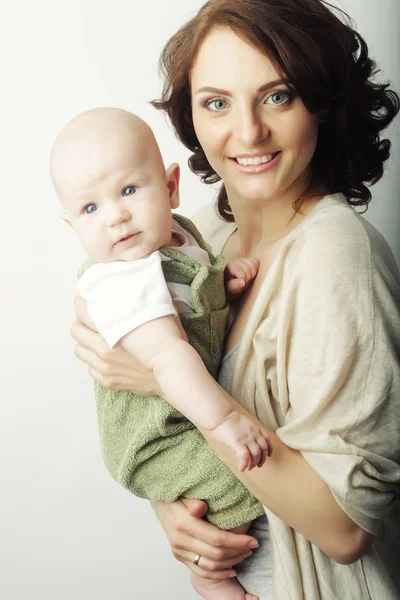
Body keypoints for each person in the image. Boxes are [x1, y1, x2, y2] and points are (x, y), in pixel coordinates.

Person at [71, 0, 400, 598]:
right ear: (191, 116)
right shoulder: (198, 235)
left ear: (322, 103)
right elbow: (155, 426)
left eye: (279, 96)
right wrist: (176, 512)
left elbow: (348, 530)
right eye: (217, 102)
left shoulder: (335, 255)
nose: (248, 132)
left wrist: (158, 380)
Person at [51, 106, 272, 600]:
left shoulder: (177, 233)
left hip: (179, 409)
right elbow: (170, 356)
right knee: (236, 488)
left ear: (170, 186)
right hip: (154, 434)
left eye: (129, 190)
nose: (117, 216)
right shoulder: (122, 278)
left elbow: (190, 283)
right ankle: (212, 580)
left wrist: (221, 284)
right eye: (90, 209)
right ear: (72, 225)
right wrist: (227, 423)